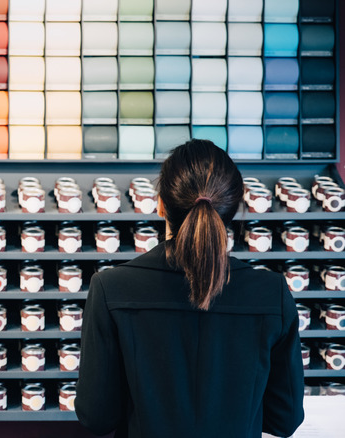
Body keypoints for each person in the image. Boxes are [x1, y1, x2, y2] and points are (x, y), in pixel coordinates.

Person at [75, 139, 305, 437]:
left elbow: (97, 417)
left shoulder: (110, 288)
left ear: (160, 205)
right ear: (233, 209)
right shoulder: (272, 293)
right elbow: (283, 421)